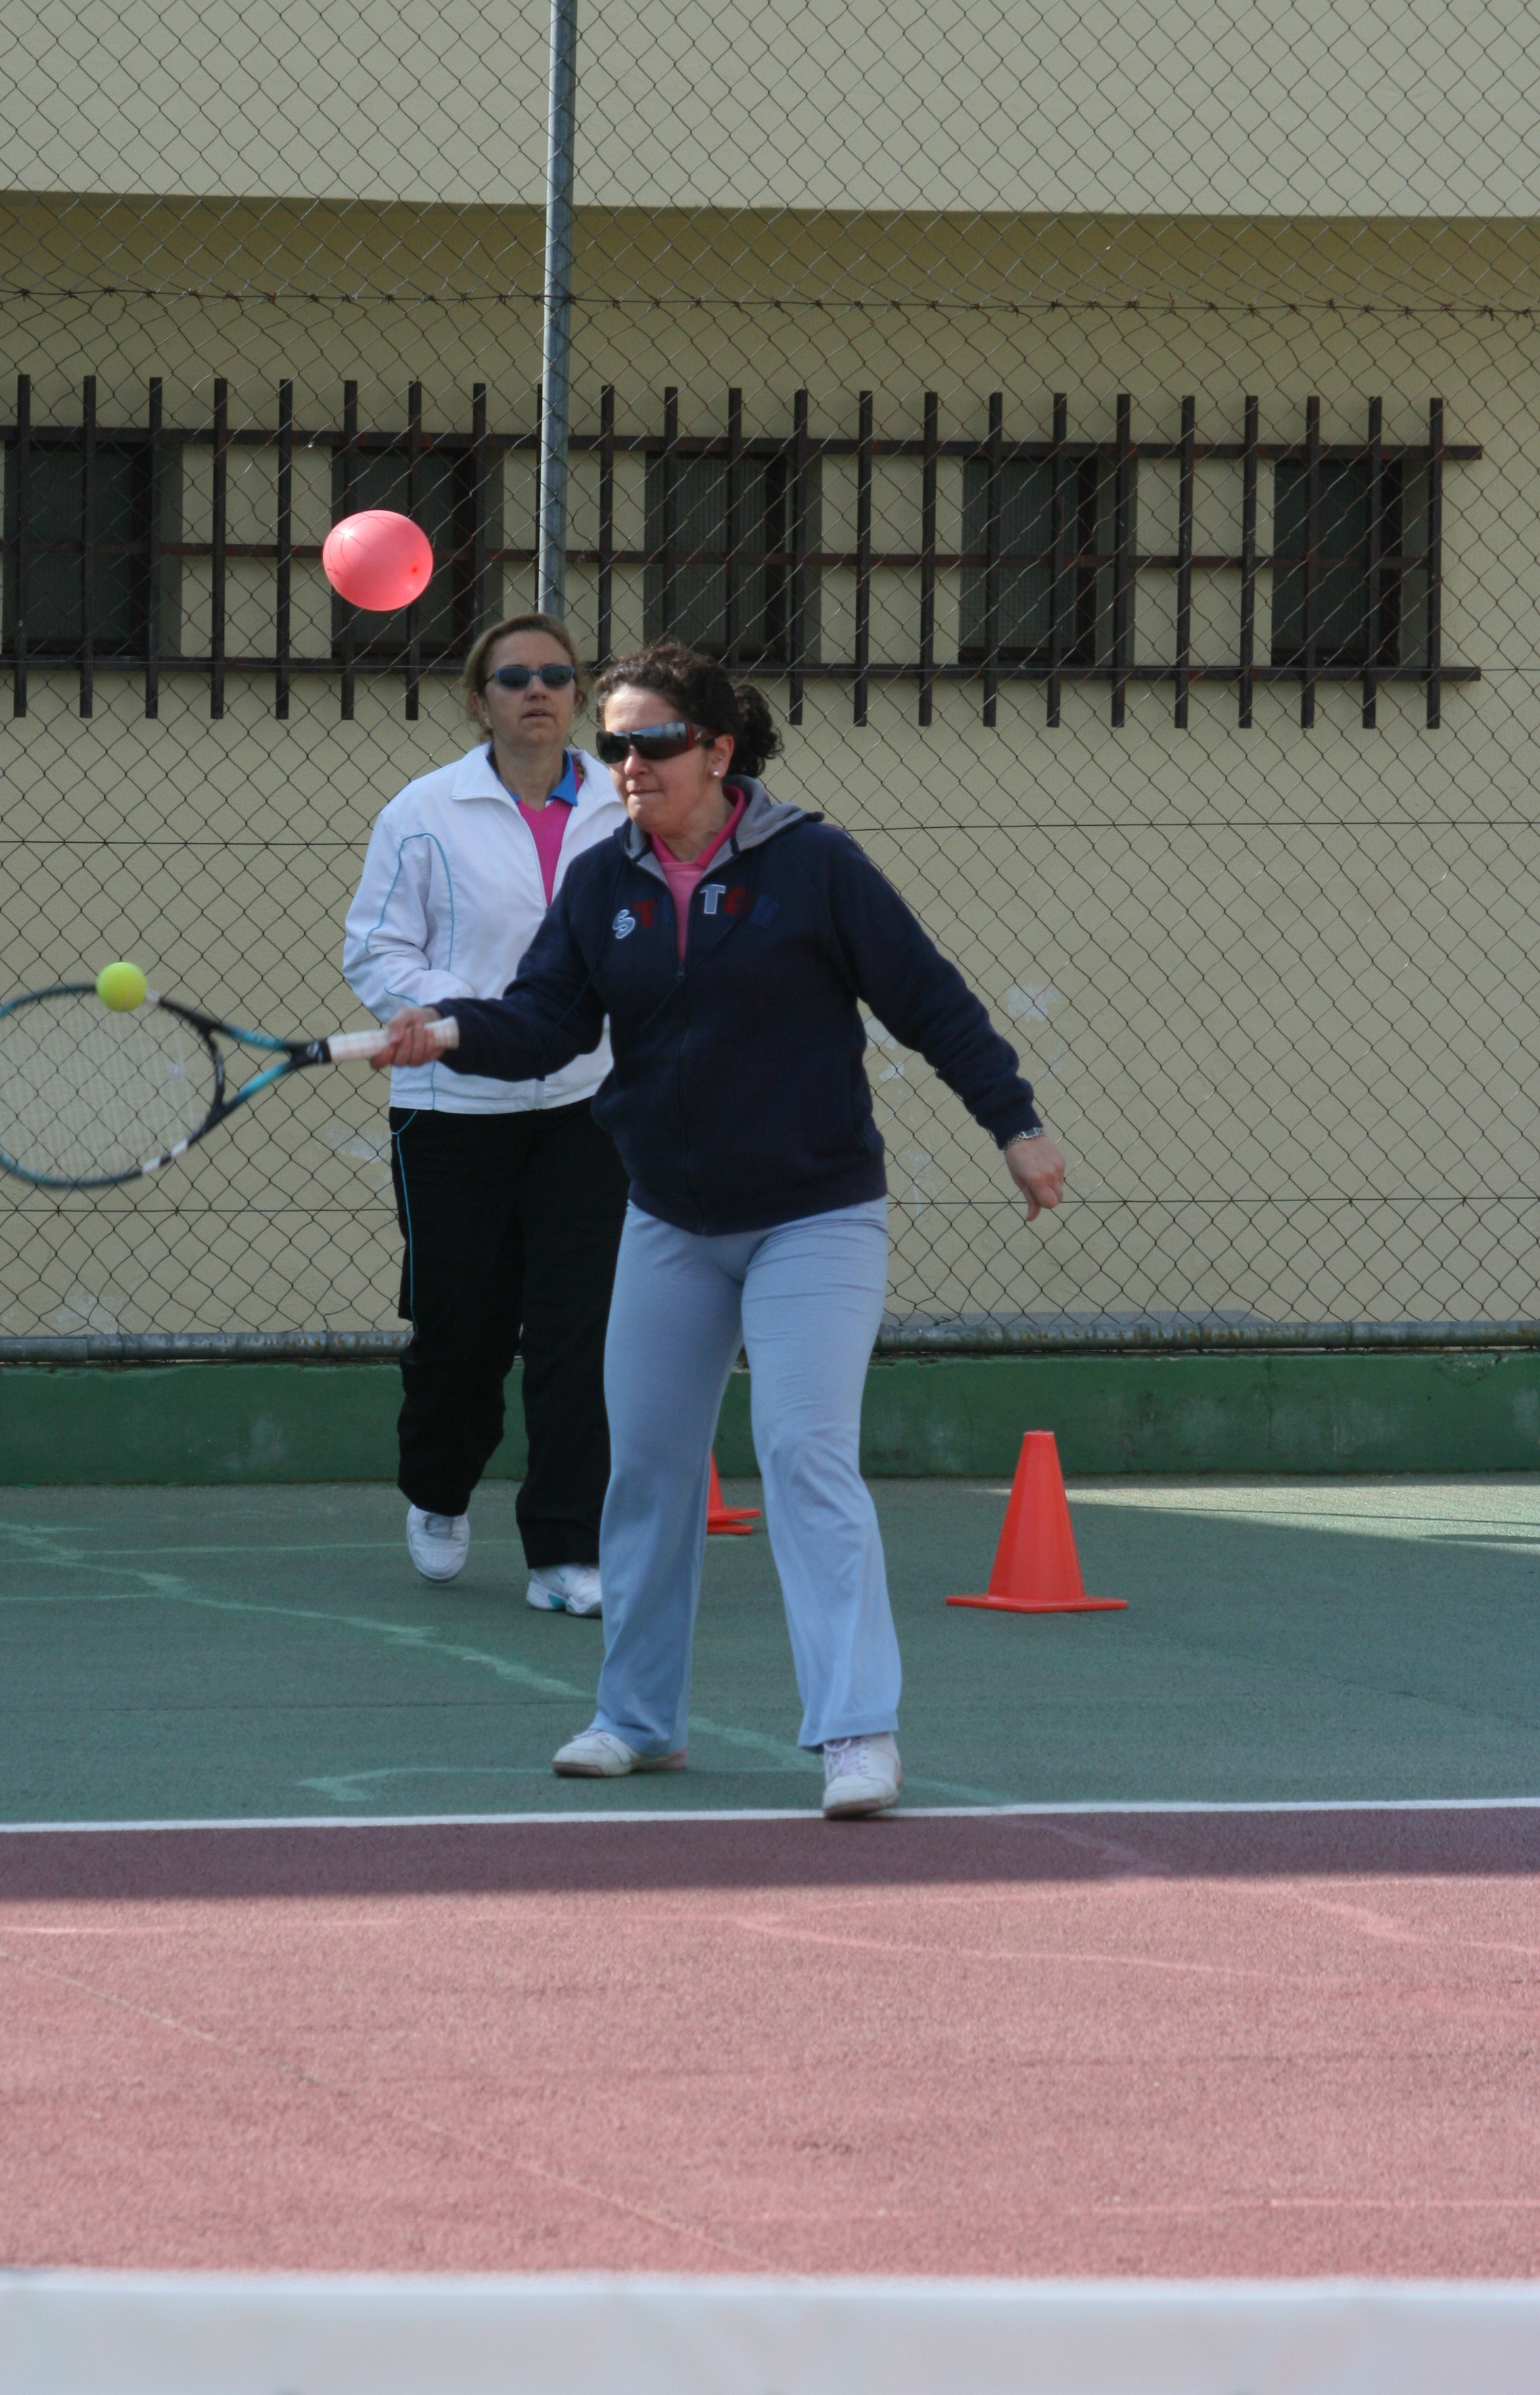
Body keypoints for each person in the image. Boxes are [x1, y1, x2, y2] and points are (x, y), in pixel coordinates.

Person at [374, 640, 1067, 1815]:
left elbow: (930, 1000)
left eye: (653, 742)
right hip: (669, 1219)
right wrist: (447, 1029)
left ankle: (857, 1735)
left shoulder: (813, 864)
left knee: (804, 1455)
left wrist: (1016, 1123)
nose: (630, 764)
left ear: (717, 749)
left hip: (814, 1213)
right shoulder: (603, 881)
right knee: (643, 1470)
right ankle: (638, 1721)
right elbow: (545, 1020)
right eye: (615, 744)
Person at [344, 614, 630, 1614]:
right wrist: (440, 1013)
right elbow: (376, 948)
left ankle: (566, 1552)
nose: (536, 691)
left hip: (588, 1107)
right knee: (461, 1334)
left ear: (580, 696)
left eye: (556, 675)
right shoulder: (423, 811)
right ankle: (438, 1486)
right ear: (480, 700)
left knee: (578, 1333)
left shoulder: (626, 806)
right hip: (451, 1111)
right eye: (514, 679)